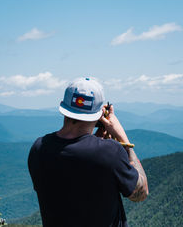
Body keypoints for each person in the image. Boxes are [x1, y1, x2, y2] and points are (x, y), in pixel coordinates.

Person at [28, 77, 148, 227]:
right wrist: (124, 142)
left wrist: (96, 142)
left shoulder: (39, 148)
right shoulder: (110, 152)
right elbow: (141, 193)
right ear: (100, 114)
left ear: (63, 107)